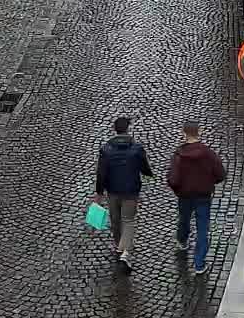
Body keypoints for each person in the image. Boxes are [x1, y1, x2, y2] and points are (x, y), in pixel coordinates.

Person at [166, 122, 227, 276]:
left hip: (185, 196)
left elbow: (172, 179)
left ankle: (182, 241)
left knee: (184, 220)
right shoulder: (208, 153)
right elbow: (220, 174)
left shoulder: (179, 155)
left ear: (183, 133)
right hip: (203, 196)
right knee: (202, 229)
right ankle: (199, 263)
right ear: (200, 132)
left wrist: (178, 190)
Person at [95, 116, 153, 273]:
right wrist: (149, 172)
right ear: (128, 129)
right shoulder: (137, 149)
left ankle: (119, 247)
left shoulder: (106, 149)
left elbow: (101, 173)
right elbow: (145, 168)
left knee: (115, 220)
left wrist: (99, 192)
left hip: (112, 191)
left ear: (115, 130)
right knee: (128, 220)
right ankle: (125, 253)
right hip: (130, 192)